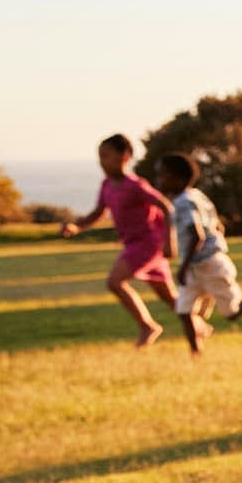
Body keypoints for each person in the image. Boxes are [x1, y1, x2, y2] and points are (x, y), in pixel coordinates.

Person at [153, 154, 242, 356]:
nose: (159, 180)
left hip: (210, 265)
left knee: (232, 312)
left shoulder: (184, 202)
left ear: (178, 178)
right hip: (196, 266)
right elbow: (218, 225)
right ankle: (196, 354)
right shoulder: (197, 196)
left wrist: (183, 266)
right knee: (183, 311)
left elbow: (197, 236)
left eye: (163, 175)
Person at [60, 134, 177, 348]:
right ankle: (198, 326)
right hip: (132, 244)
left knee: (114, 282)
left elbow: (166, 207)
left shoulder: (136, 185)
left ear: (125, 157)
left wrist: (170, 241)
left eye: (106, 155)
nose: (101, 161)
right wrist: (77, 226)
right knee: (170, 298)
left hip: (148, 244)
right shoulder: (107, 185)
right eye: (99, 156)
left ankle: (147, 326)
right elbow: (98, 212)